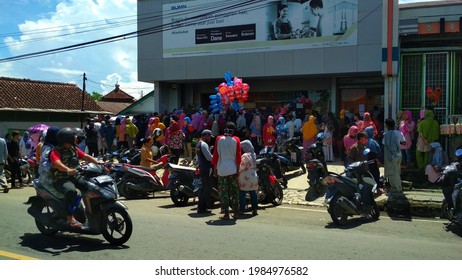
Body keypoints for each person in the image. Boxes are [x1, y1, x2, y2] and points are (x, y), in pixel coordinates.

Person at [49, 127, 100, 227]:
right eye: (74, 137)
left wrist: (98, 162)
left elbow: (85, 156)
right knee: (71, 191)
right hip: (60, 178)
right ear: (67, 139)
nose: (76, 138)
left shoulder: (73, 148)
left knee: (89, 186)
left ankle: (89, 211)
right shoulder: (55, 151)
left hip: (73, 175)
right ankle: (69, 218)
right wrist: (67, 169)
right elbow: (57, 163)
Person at [212, 122, 241, 220]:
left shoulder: (219, 139)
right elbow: (238, 158)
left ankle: (226, 214)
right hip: (233, 169)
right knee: (234, 192)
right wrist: (238, 171)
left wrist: (215, 169)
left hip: (222, 169)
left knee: (223, 192)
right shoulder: (236, 140)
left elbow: (216, 155)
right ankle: (236, 212)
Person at [382, 118, 406, 192]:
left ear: (387, 125)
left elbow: (384, 144)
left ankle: (395, 189)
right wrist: (397, 142)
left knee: (393, 173)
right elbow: (404, 143)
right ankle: (399, 187)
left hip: (391, 156)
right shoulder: (399, 133)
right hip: (399, 155)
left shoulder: (386, 135)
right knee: (397, 172)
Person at [238, 140, 259, 216]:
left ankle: (242, 209)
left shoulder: (245, 155)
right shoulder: (253, 154)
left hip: (245, 176)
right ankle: (255, 209)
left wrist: (238, 171)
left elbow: (242, 166)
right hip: (253, 175)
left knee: (242, 193)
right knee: (253, 193)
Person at [196, 129, 214, 214]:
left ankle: (203, 206)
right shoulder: (204, 144)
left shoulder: (198, 144)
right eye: (209, 136)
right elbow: (209, 157)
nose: (210, 138)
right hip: (207, 168)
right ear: (206, 135)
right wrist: (217, 158)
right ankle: (202, 207)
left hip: (202, 168)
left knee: (204, 188)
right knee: (206, 188)